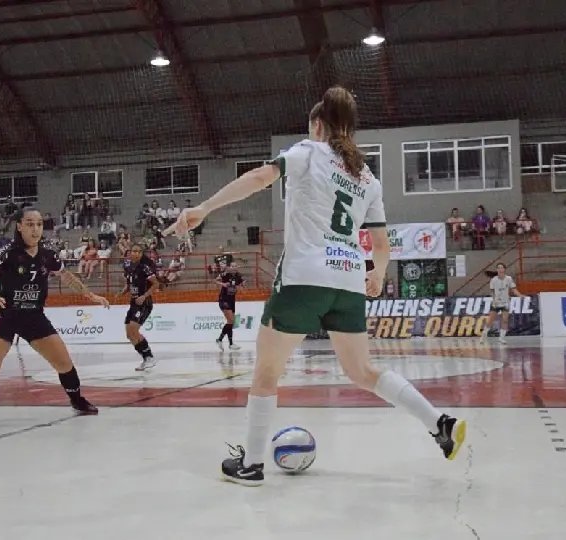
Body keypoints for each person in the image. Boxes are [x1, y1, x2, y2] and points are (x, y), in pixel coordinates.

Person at [167, 86, 466, 486]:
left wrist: (203, 208)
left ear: (318, 124)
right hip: (347, 280)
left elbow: (259, 177)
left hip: (304, 276)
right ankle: (439, 423)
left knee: (266, 372)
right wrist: (376, 274)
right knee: (362, 370)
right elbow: (380, 245)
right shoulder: (367, 177)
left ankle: (252, 465)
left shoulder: (308, 151)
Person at [0, 207, 109, 425]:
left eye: (39, 224)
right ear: (19, 226)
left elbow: (66, 276)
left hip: (34, 316)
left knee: (64, 363)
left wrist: (90, 295)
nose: (35, 229)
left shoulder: (48, 253)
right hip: (5, 315)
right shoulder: (8, 252)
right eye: (30, 224)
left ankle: (77, 400)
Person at [117, 244, 158, 371]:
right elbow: (129, 283)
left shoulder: (144, 268)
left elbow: (156, 284)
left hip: (144, 304)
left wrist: (144, 296)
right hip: (133, 303)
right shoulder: (128, 266)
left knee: (134, 330)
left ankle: (149, 357)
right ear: (130, 253)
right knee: (129, 334)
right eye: (134, 251)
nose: (136, 254)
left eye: (139, 252)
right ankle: (145, 358)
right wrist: (122, 292)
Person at [480, 263, 525, 345]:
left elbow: (513, 289)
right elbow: (492, 292)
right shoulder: (493, 280)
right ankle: (483, 335)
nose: (500, 269)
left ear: (504, 269)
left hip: (505, 302)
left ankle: (501, 338)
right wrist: (494, 300)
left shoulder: (508, 279)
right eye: (498, 268)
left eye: (501, 268)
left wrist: (520, 295)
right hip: (496, 303)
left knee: (505, 320)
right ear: (497, 270)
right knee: (490, 320)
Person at [215, 261, 244, 351]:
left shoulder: (238, 276)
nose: (234, 267)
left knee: (230, 322)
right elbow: (215, 280)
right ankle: (224, 341)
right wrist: (222, 284)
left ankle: (225, 341)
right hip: (224, 300)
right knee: (231, 320)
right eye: (232, 266)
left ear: (237, 267)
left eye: (235, 266)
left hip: (232, 300)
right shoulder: (225, 274)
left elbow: (241, 287)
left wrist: (241, 285)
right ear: (230, 267)